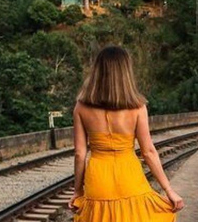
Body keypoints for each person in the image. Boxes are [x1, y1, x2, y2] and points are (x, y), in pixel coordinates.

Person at [69, 45, 185, 221]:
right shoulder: (138, 108)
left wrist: (77, 191)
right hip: (129, 175)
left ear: (97, 71)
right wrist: (168, 190)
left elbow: (79, 154)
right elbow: (148, 152)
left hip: (98, 178)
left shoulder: (81, 107)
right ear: (125, 72)